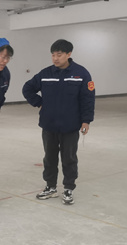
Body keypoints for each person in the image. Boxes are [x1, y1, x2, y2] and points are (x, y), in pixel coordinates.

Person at [22, 39, 95, 205]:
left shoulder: (81, 74)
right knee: (49, 158)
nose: (55, 58)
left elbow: (88, 99)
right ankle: (50, 187)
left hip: (70, 125)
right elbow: (27, 88)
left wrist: (86, 121)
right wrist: (39, 103)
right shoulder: (46, 73)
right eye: (53, 55)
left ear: (69, 54)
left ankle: (68, 188)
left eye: (59, 55)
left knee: (69, 158)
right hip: (49, 124)